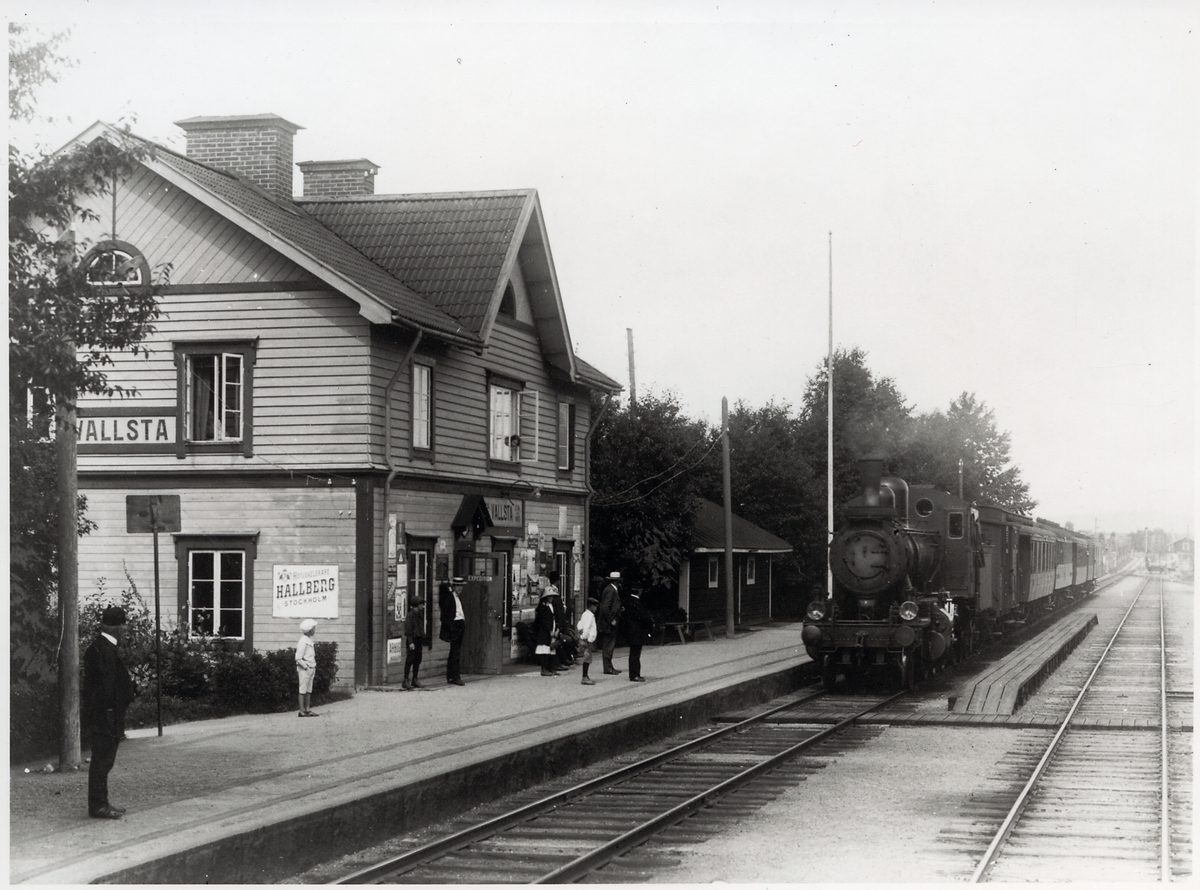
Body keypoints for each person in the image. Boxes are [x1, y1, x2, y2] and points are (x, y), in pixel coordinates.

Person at [82, 605, 136, 819]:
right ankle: (98, 806)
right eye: (123, 625)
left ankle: (102, 803)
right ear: (118, 628)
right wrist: (114, 710)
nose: (125, 629)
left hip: (104, 713)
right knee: (103, 760)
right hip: (106, 715)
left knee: (103, 760)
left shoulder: (99, 647)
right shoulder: (105, 651)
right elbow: (107, 687)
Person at [439, 577, 467, 686]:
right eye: (457, 586)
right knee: (455, 652)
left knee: (455, 651)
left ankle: (450, 676)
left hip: (460, 624)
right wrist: (450, 627)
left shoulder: (459, 598)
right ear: (453, 587)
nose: (459, 588)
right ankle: (456, 677)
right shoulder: (449, 598)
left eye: (461, 586)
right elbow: (444, 616)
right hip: (454, 626)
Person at [622, 587, 654, 682]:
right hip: (636, 630)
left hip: (630, 629)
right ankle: (635, 674)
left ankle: (633, 674)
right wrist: (650, 622)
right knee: (635, 653)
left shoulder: (627, 601)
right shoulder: (636, 603)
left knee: (633, 653)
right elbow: (642, 617)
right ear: (639, 591)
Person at [596, 571, 624, 675]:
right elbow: (605, 607)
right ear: (616, 582)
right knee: (608, 645)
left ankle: (609, 666)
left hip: (610, 621)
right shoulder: (611, 590)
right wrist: (611, 619)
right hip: (609, 623)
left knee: (610, 644)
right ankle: (607, 668)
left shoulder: (610, 589)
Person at [402, 593, 428, 689]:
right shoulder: (410, 615)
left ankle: (415, 679)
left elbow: (420, 628)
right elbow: (408, 630)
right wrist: (411, 642)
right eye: (421, 604)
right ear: (417, 605)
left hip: (418, 640)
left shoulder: (419, 615)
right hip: (412, 640)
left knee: (418, 660)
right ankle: (405, 680)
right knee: (410, 660)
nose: (422, 606)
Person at [533, 590, 559, 677]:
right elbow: (543, 620)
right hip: (544, 632)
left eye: (552, 596)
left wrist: (557, 630)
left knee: (551, 650)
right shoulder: (542, 607)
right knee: (544, 650)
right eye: (549, 596)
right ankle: (544, 669)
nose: (551, 598)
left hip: (552, 631)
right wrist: (549, 630)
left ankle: (550, 668)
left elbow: (555, 618)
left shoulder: (552, 606)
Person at [295, 619, 319, 716]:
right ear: (309, 630)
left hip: (311, 668)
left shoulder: (309, 640)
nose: (315, 630)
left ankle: (307, 709)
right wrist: (305, 667)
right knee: (303, 690)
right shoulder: (303, 641)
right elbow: (298, 658)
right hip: (305, 669)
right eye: (313, 628)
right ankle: (301, 711)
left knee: (309, 690)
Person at [576, 596, 599, 685]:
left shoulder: (584, 614)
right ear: (592, 606)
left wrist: (580, 632)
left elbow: (579, 625)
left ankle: (585, 676)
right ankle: (584, 677)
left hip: (585, 638)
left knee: (587, 658)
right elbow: (586, 627)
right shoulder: (590, 615)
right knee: (587, 658)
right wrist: (584, 637)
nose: (596, 608)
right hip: (587, 640)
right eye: (595, 606)